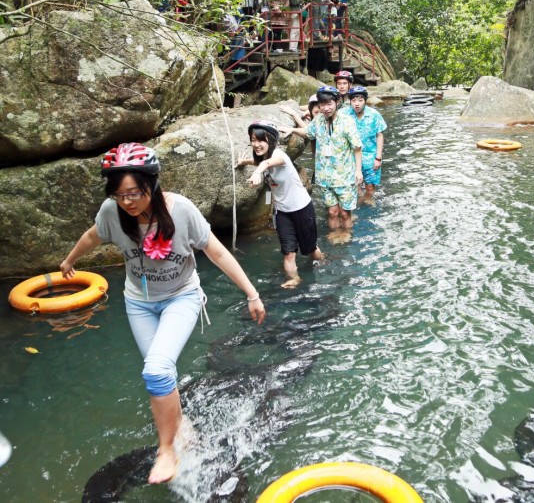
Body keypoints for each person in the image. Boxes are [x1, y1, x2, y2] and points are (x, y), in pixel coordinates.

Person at [60, 143, 266, 484]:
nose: (127, 202)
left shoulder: (181, 211)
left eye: (135, 193)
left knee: (155, 370)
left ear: (153, 184)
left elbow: (215, 252)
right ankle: (182, 428)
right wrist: (70, 261)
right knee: (162, 374)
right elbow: (93, 236)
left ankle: (167, 450)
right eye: (119, 194)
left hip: (180, 298)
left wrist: (252, 294)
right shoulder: (113, 212)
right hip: (138, 302)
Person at [236, 120, 324, 288]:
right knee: (289, 252)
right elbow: (259, 161)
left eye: (260, 140)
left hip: (302, 208)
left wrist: (256, 174)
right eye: (253, 140)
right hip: (283, 212)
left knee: (310, 249)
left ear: (270, 139)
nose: (256, 144)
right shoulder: (264, 158)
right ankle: (294, 279)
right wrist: (244, 162)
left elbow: (266, 163)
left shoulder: (280, 156)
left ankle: (323, 262)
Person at [278, 86, 363, 242]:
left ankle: (347, 234)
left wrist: (358, 171)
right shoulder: (318, 120)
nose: (325, 108)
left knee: (345, 212)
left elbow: (357, 147)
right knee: (332, 212)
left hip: (345, 176)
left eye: (329, 104)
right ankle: (334, 234)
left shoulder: (347, 121)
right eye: (322, 104)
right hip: (324, 176)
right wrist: (291, 129)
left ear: (337, 102)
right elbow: (308, 132)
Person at [344, 86, 387, 204]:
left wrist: (378, 157)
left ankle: (368, 198)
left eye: (360, 100)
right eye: (353, 100)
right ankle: (360, 197)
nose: (357, 104)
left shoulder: (374, 114)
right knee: (354, 184)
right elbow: (327, 111)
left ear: (365, 100)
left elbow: (379, 135)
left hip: (370, 156)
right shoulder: (343, 114)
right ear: (350, 101)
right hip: (350, 157)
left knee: (370, 186)